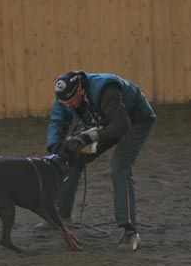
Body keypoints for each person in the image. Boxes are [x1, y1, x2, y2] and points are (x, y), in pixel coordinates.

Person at [46, 70, 156, 251]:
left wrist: (89, 137)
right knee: (72, 158)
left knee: (120, 166)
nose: (70, 105)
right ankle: (62, 216)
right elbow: (57, 122)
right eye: (66, 103)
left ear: (80, 87)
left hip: (135, 120)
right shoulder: (65, 98)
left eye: (73, 100)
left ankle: (130, 233)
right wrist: (57, 149)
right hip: (106, 121)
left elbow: (122, 125)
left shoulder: (107, 90)